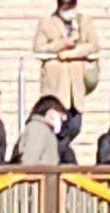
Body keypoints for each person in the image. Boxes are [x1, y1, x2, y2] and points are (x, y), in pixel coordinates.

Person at [36, 0, 100, 163]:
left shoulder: (84, 21)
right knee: (57, 129)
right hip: (57, 88)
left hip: (76, 88)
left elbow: (93, 45)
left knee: (74, 126)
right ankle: (60, 158)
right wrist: (62, 44)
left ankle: (59, 153)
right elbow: (39, 48)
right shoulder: (47, 22)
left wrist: (71, 54)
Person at [18, 94, 68, 165]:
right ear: (51, 112)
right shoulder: (37, 128)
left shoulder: (45, 130)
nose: (61, 122)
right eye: (60, 117)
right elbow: (29, 162)